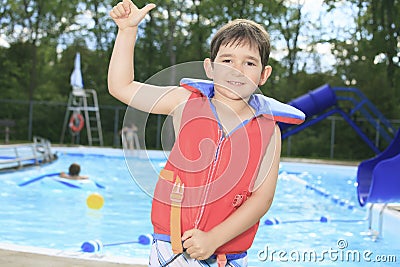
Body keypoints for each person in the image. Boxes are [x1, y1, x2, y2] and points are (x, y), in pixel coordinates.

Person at [108, 1, 305, 266]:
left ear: (263, 74)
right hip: (172, 248)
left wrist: (213, 239)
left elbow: (262, 199)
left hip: (228, 256)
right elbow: (122, 87)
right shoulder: (183, 102)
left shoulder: (269, 130)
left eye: (249, 63)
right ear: (210, 68)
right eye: (227, 60)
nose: (237, 70)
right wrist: (127, 31)